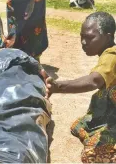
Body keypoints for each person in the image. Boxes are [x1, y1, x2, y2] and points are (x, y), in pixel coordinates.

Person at [46, 12, 116, 163]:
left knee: (91, 155)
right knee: (78, 127)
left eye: (90, 37)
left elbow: (94, 81)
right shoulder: (107, 54)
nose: (83, 42)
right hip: (111, 111)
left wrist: (57, 87)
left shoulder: (112, 56)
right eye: (82, 36)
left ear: (108, 36)